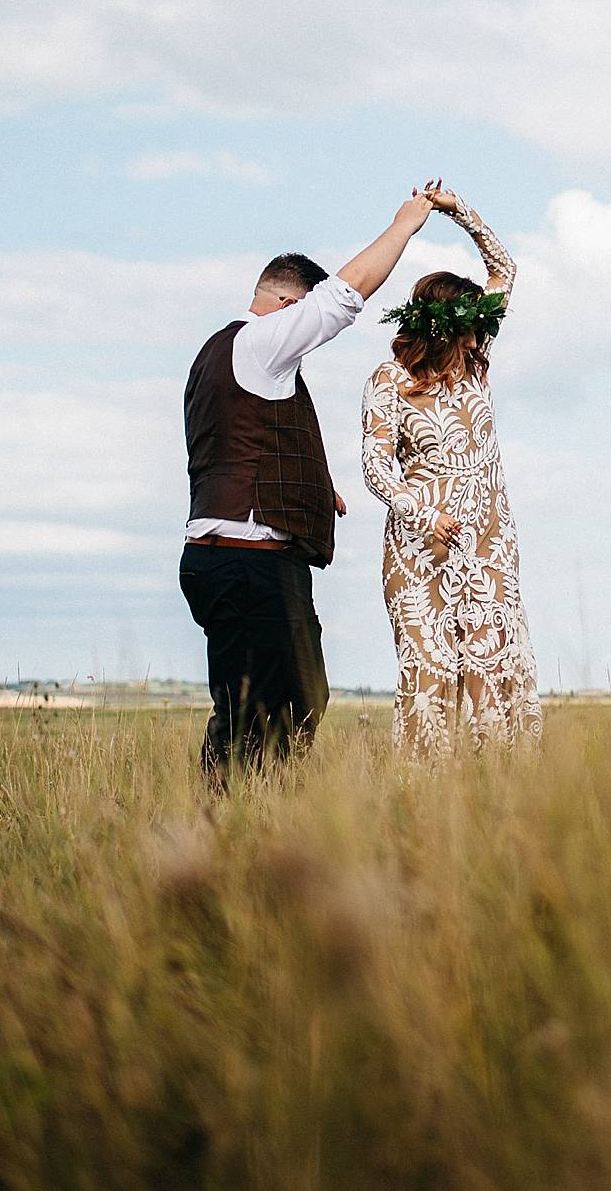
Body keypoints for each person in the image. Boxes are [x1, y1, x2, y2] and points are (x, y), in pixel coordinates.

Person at [180, 187, 439, 781]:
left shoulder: (216, 357)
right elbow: (345, 297)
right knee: (287, 710)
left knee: (247, 712)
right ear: (286, 302)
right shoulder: (262, 340)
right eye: (301, 314)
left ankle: (227, 828)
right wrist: (404, 225)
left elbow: (240, 449)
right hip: (251, 563)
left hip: (218, 557)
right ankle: (254, 827)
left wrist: (315, 489)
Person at [360, 188, 540, 756]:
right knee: (430, 675)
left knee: (493, 667)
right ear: (442, 328)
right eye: (465, 328)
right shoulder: (387, 380)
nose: (475, 335)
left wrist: (457, 211)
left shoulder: (476, 367)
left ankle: (496, 802)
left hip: (488, 545)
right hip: (420, 547)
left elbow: (504, 268)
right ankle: (422, 808)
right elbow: (374, 465)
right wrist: (420, 511)